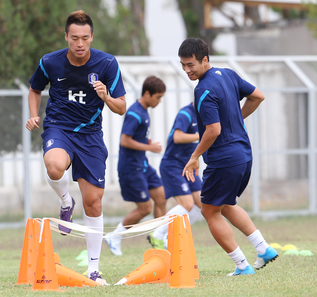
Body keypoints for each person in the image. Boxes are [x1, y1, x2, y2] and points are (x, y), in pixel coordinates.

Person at [26, 10, 126, 284]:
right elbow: (34, 89)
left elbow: (121, 108)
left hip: (91, 136)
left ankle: (93, 269)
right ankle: (64, 200)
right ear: (66, 37)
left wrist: (106, 96)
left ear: (92, 37)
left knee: (93, 203)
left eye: (85, 38)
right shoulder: (50, 62)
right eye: (74, 38)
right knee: (55, 164)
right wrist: (34, 114)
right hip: (59, 128)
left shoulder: (107, 64)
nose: (80, 44)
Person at [179, 38, 278, 276]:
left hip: (224, 159)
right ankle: (263, 249)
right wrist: (237, 118)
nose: (186, 70)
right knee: (225, 204)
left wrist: (194, 157)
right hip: (244, 155)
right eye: (183, 65)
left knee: (209, 211)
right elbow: (258, 96)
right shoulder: (229, 74)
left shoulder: (203, 88)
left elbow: (213, 130)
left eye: (190, 64)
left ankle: (242, 265)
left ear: (205, 60)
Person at [104, 76, 166, 256]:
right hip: (131, 167)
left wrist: (146, 141)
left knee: (161, 196)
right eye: (158, 97)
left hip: (142, 164)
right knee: (145, 208)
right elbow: (125, 141)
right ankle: (115, 236)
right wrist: (150, 147)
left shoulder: (144, 111)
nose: (159, 101)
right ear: (147, 94)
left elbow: (136, 137)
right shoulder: (134, 113)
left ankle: (158, 236)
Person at [149, 102, 203, 249]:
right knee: (187, 204)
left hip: (188, 166)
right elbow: (178, 137)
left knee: (202, 203)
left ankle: (169, 236)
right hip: (173, 165)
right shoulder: (185, 114)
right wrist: (201, 135)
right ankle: (157, 234)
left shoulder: (205, 114)